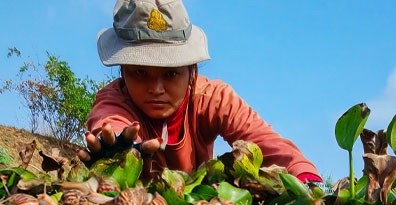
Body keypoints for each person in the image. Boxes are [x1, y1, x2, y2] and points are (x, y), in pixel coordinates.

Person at [80, 0, 323, 184]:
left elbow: (266, 143)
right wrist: (118, 148)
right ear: (123, 72)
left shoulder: (212, 98)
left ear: (192, 71)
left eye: (171, 73)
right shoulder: (113, 98)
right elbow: (109, 122)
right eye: (140, 73)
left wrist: (307, 180)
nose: (156, 89)